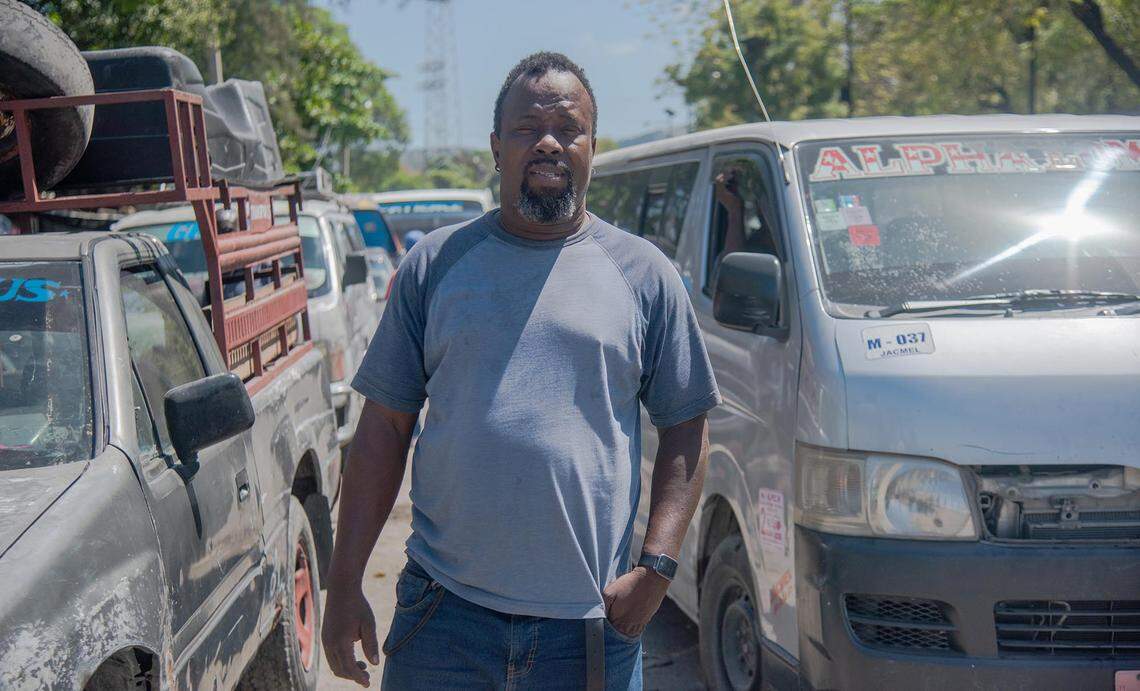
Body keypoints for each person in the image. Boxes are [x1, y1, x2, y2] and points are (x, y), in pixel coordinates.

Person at [322, 51, 720, 690]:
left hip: (589, 627)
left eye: (568, 128)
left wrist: (659, 569)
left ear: (593, 145)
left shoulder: (645, 275)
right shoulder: (434, 265)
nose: (548, 142)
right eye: (526, 128)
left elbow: (687, 429)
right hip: (443, 619)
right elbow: (382, 432)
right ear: (496, 148)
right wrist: (343, 586)